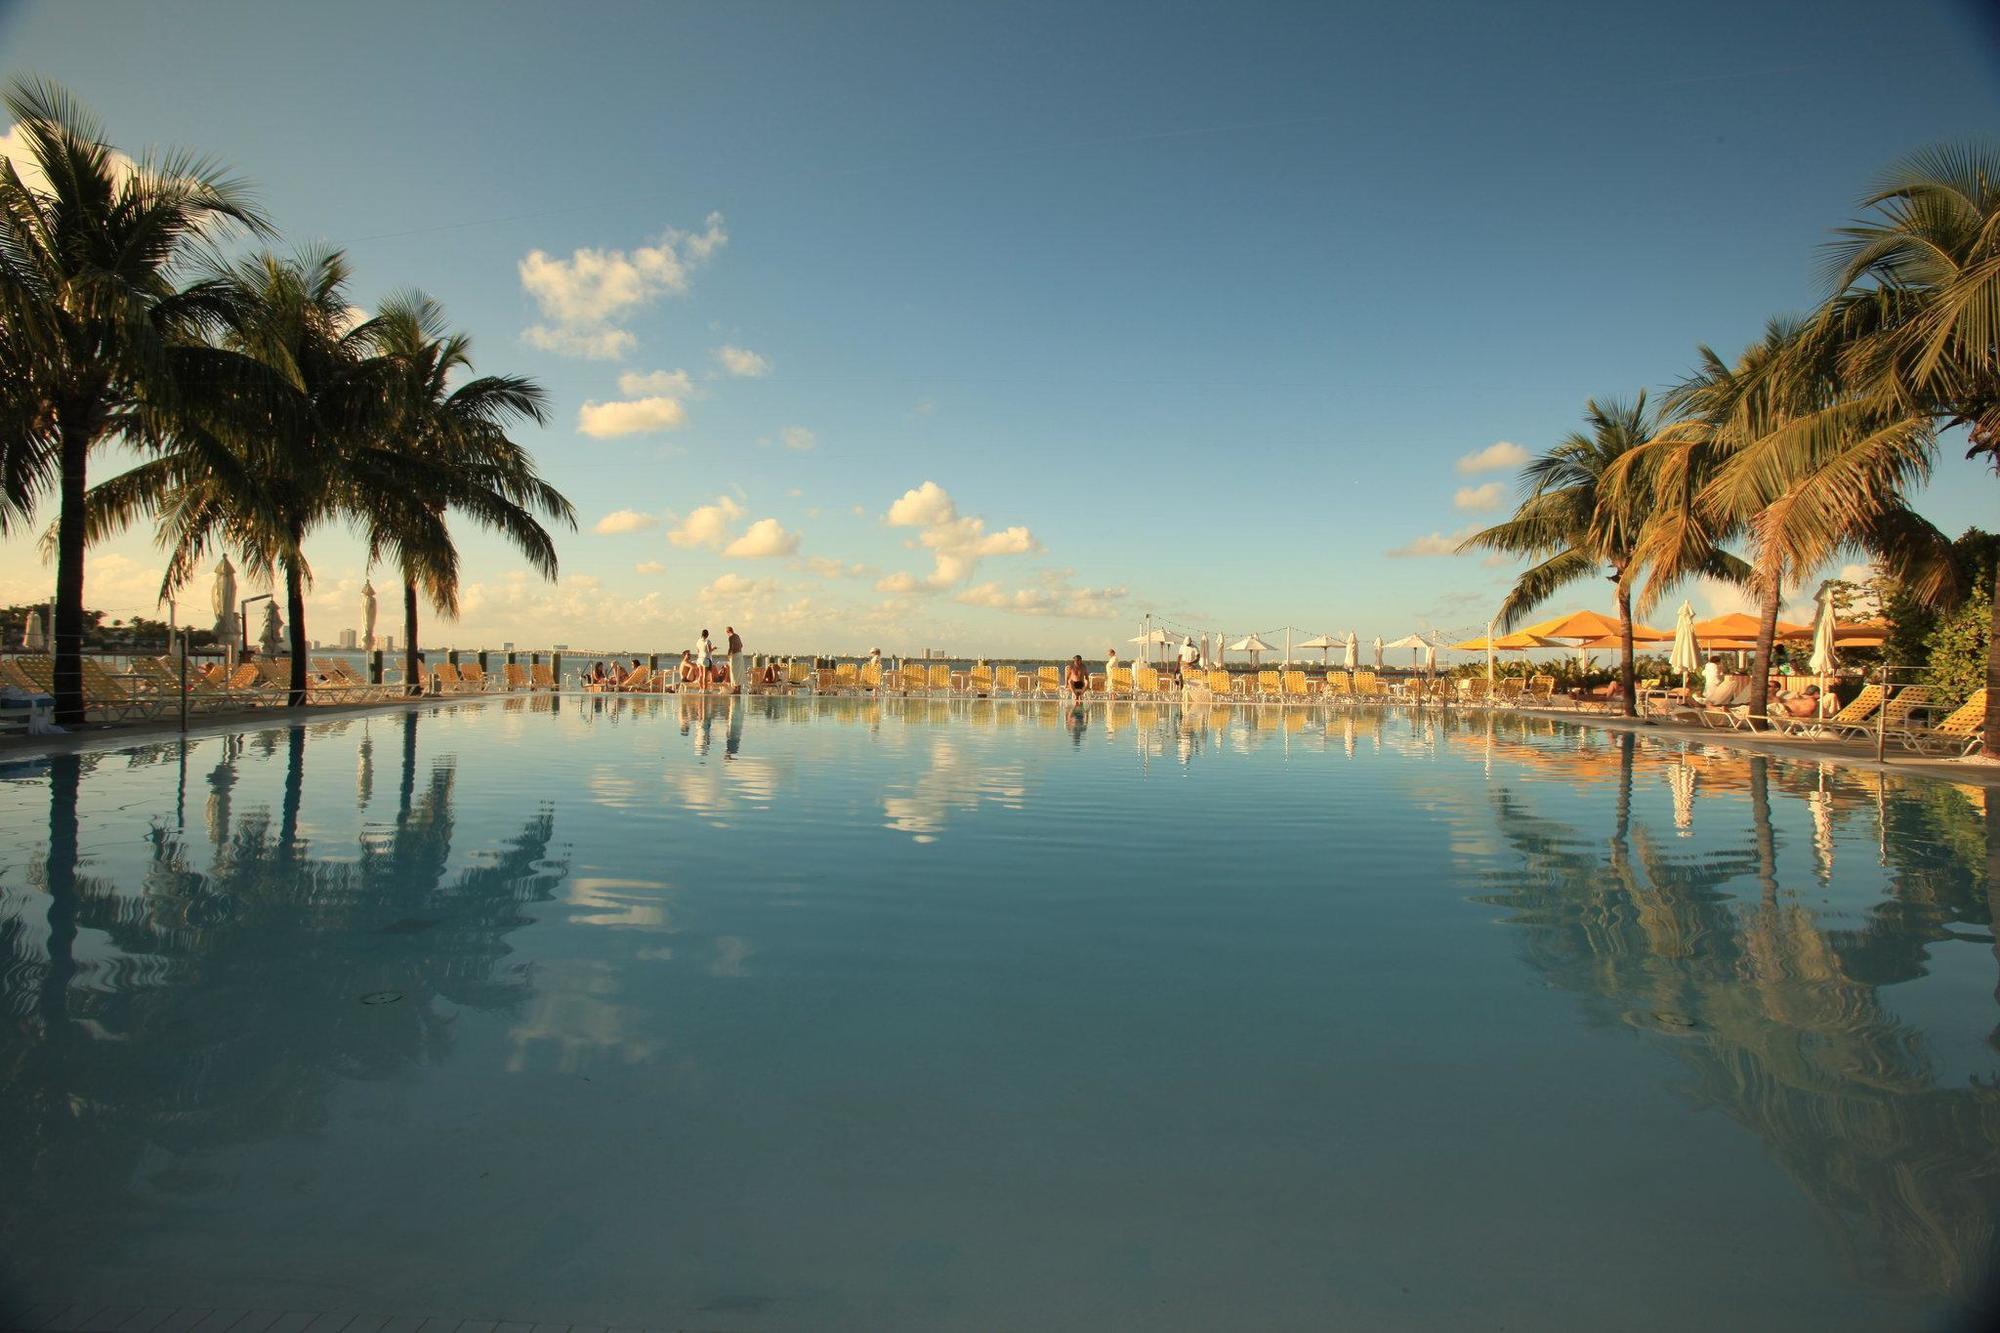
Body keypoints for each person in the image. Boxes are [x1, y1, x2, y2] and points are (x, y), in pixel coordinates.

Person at [726, 625, 745, 695]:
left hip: (735, 656)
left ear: (728, 632)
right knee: (739, 672)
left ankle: (735, 689)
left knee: (733, 672)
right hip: (740, 655)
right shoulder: (737, 636)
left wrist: (728, 655)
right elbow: (741, 645)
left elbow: (731, 647)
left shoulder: (731, 637)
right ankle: (738, 690)